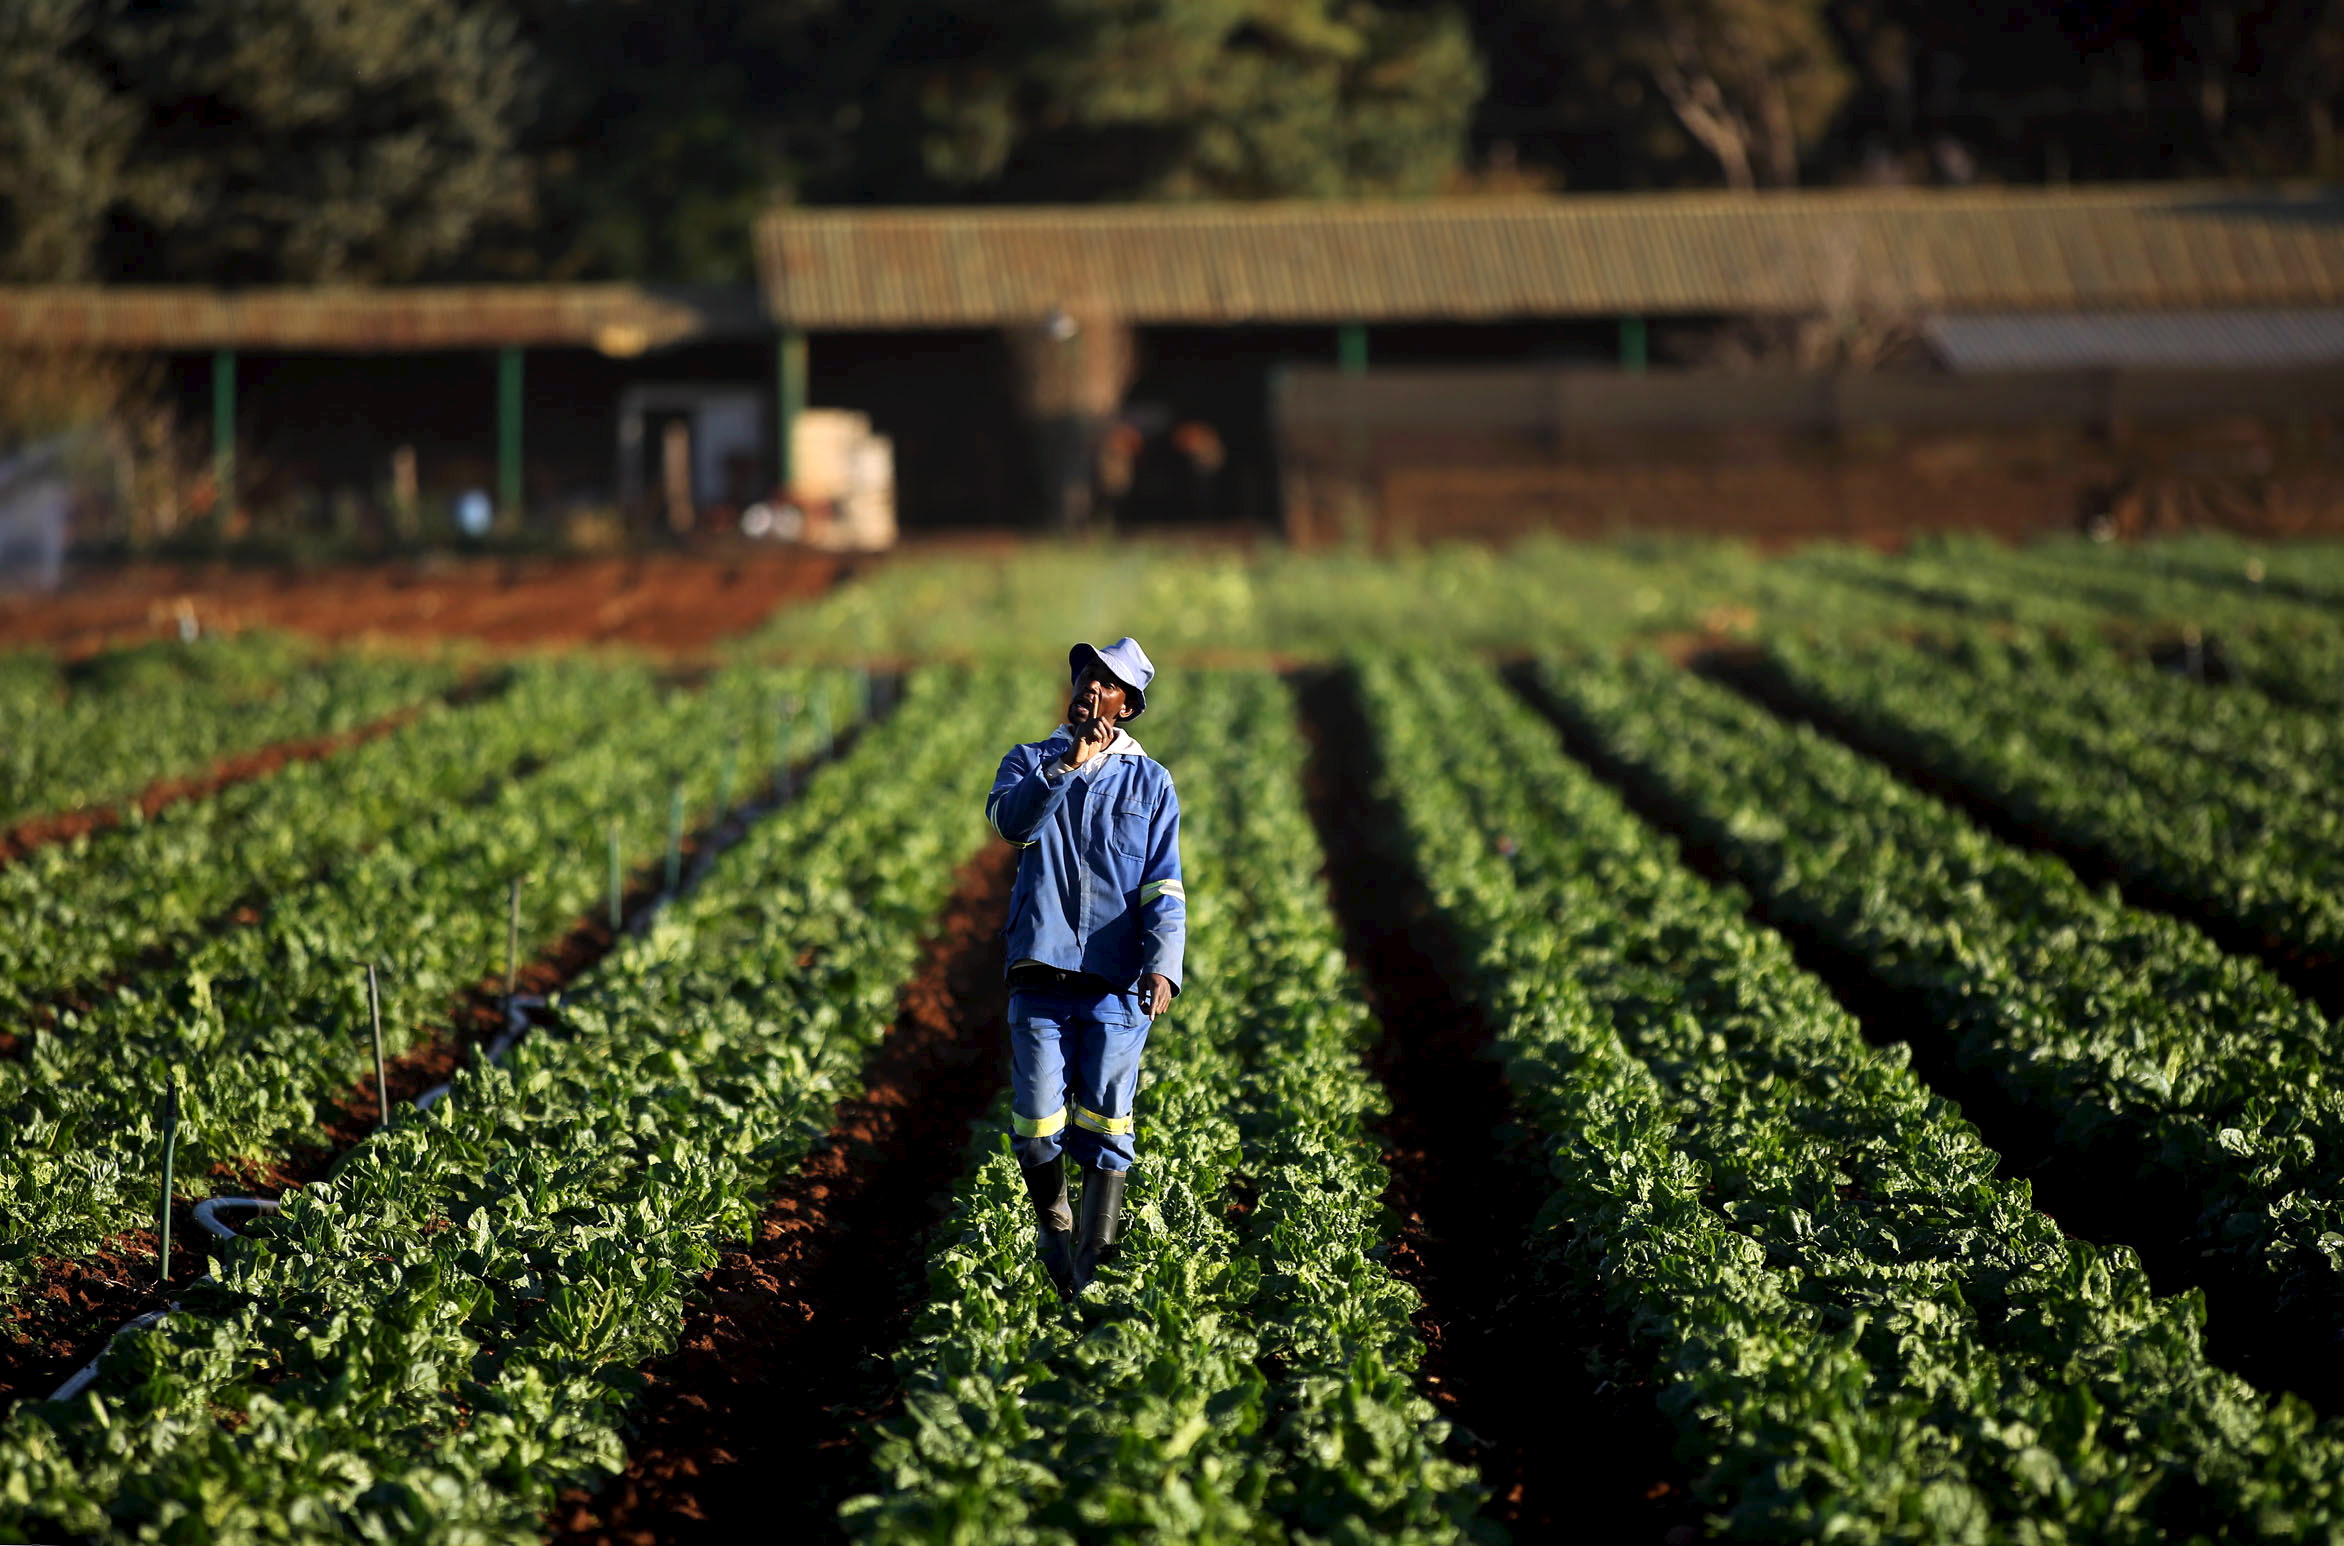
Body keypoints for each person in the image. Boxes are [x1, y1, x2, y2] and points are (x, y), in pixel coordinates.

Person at [985, 637, 1185, 1297]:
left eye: (1108, 683)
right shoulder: (1030, 761)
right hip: (1040, 971)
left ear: (1127, 706)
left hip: (1115, 983)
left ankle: (1091, 1264)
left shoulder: (1151, 783)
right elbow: (1012, 827)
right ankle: (1054, 1225)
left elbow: (1163, 886)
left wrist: (1163, 964)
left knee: (1105, 1121)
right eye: (1086, 677)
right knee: (1037, 1124)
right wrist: (1066, 767)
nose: (1092, 688)